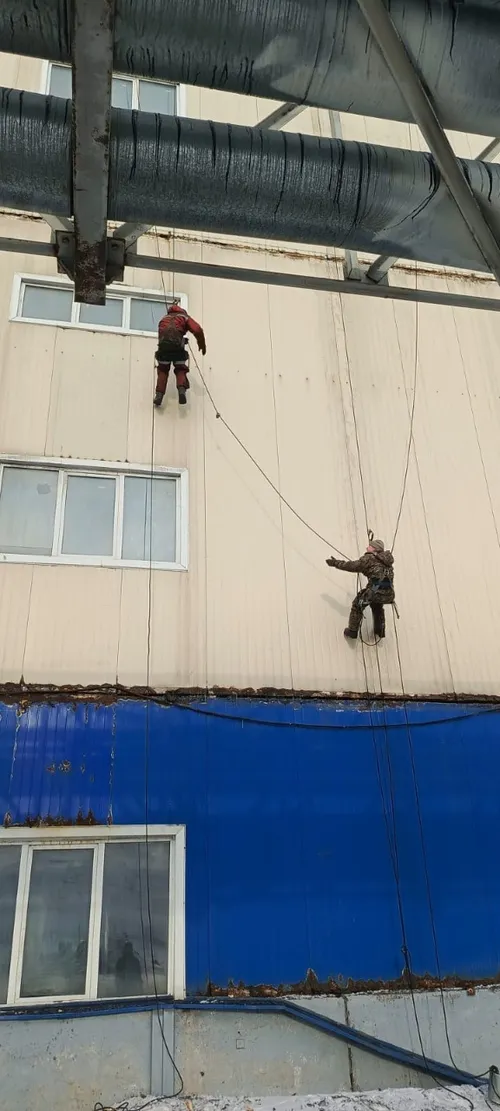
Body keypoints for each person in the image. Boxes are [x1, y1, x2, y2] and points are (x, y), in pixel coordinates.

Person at [326, 539, 395, 640]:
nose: (367, 547)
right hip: (389, 594)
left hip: (374, 593)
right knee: (377, 606)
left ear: (374, 549)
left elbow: (351, 566)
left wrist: (335, 563)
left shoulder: (369, 559)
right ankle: (380, 630)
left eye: (370, 546)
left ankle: (352, 632)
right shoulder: (387, 561)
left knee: (357, 605)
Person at [154, 300, 206, 407]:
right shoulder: (184, 317)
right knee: (180, 368)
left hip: (163, 348)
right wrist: (201, 344)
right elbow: (197, 329)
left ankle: (159, 395)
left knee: (163, 370)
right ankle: (181, 390)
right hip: (177, 347)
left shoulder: (164, 318)